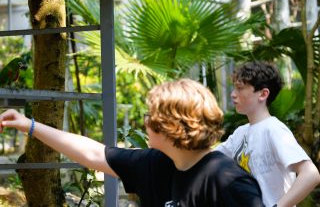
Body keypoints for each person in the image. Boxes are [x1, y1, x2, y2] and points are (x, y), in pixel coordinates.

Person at [0, 78, 265, 207]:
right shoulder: (155, 163)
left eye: (150, 116)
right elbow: (92, 152)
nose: (145, 123)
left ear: (170, 126)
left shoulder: (228, 182)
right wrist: (29, 125)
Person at [214, 61, 320, 207]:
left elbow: (311, 174)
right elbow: (209, 158)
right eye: (234, 88)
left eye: (240, 88)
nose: (233, 94)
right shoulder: (240, 133)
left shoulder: (273, 129)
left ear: (263, 94)